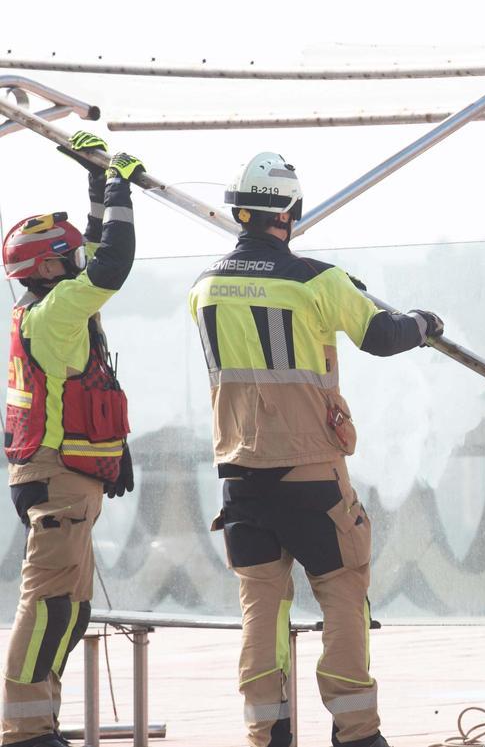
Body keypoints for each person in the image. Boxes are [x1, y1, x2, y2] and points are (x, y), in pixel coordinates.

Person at [188, 152, 443, 747]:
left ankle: (266, 732)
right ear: (291, 211)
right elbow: (382, 335)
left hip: (240, 477)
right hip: (311, 475)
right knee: (343, 594)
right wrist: (424, 323)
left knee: (261, 608)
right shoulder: (317, 280)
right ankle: (356, 732)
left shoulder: (203, 287)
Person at [2, 133, 141, 747]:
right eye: (69, 257)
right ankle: (24, 731)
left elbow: (94, 254)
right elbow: (112, 264)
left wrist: (94, 179)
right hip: (57, 481)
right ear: (46, 269)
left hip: (66, 476)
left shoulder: (53, 304)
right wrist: (120, 186)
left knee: (71, 611)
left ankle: (42, 722)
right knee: (46, 605)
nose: (79, 263)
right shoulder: (56, 310)